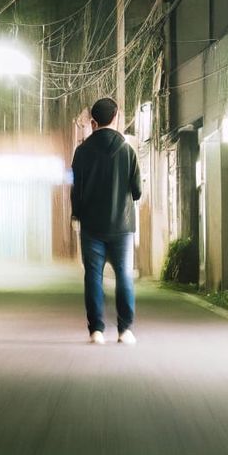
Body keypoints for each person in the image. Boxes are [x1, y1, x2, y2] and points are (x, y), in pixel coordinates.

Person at [70, 96, 142, 345]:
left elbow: (76, 190)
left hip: (91, 227)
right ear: (117, 117)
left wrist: (77, 214)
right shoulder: (127, 150)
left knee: (93, 276)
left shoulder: (82, 152)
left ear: (93, 121)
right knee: (123, 275)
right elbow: (137, 191)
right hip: (122, 227)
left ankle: (96, 331)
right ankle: (125, 330)